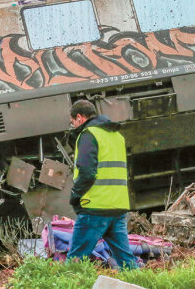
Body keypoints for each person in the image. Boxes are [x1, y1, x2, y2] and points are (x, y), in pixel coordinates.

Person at [66, 99, 139, 269]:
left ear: (79, 118)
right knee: (126, 260)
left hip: (95, 208)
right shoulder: (117, 136)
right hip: (118, 207)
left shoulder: (88, 135)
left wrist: (75, 197)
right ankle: (142, 284)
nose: (73, 126)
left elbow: (86, 172)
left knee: (75, 259)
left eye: (72, 122)